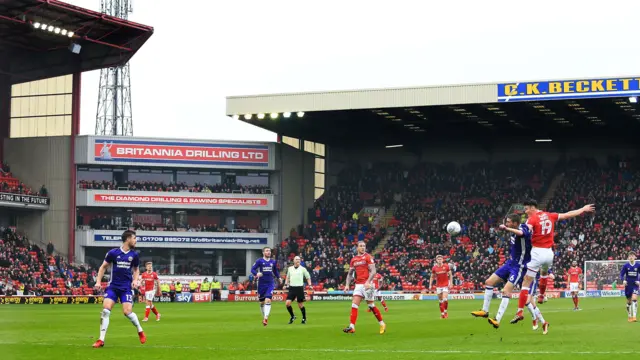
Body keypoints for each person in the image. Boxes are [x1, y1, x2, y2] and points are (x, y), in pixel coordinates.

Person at [508, 199, 595, 327]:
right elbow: (568, 214)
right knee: (544, 274)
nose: (525, 212)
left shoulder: (532, 219)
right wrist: (583, 209)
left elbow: (523, 233)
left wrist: (509, 229)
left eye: (526, 209)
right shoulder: (551, 215)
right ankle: (542, 295)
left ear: (532, 207)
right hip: (549, 253)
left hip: (537, 252)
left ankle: (520, 311)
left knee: (526, 283)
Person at [472, 214, 532, 325]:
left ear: (514, 223)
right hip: (510, 263)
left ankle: (497, 320)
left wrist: (507, 228)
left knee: (505, 291)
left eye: (508, 222)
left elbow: (522, 233)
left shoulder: (522, 228)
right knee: (489, 282)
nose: (506, 223)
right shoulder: (515, 230)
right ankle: (484, 311)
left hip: (519, 266)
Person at [92, 230, 146, 348]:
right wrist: (98, 282)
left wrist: (135, 280)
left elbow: (136, 270)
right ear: (128, 239)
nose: (136, 241)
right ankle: (101, 340)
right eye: (134, 238)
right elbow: (103, 267)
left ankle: (140, 330)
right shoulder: (113, 253)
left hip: (126, 288)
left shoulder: (134, 255)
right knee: (106, 310)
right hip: (113, 287)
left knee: (127, 312)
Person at [343, 241, 386, 334]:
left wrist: (368, 281)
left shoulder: (368, 257)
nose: (363, 247)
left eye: (364, 246)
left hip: (368, 285)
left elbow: (374, 271)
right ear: (357, 248)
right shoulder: (353, 259)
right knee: (354, 304)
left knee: (371, 305)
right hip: (358, 285)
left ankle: (382, 324)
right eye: (361, 246)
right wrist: (347, 285)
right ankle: (352, 326)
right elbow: (350, 274)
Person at [250, 247, 281, 326]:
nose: (269, 252)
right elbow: (252, 269)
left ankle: (265, 318)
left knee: (268, 300)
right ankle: (264, 316)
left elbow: (275, 271)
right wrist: (256, 274)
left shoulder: (273, 261)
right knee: (261, 302)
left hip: (270, 283)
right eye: (267, 251)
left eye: (269, 251)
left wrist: (279, 277)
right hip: (261, 284)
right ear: (263, 252)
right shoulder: (259, 261)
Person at [284, 256, 312, 324]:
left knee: (300, 305)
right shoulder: (290, 268)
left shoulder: (303, 269)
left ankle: (304, 318)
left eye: (299, 259)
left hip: (299, 288)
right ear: (293, 260)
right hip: (292, 288)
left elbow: (308, 277)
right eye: (296, 259)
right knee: (287, 303)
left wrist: (310, 285)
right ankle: (293, 316)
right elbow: (287, 277)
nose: (298, 260)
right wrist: (285, 284)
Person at [429, 255, 453, 319]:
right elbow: (432, 276)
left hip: (445, 285)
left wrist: (451, 283)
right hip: (438, 286)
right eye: (438, 259)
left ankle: (445, 312)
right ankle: (442, 314)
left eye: (440, 259)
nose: (439, 260)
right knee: (440, 301)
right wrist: (430, 285)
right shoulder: (434, 268)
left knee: (445, 299)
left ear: (442, 260)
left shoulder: (446, 266)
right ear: (436, 260)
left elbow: (450, 275)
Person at [620, 252, 640, 322]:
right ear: (628, 257)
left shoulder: (638, 265)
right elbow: (621, 275)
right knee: (629, 302)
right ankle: (629, 316)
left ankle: (634, 317)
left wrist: (639, 281)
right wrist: (623, 280)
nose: (631, 257)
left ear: (635, 257)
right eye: (630, 256)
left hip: (635, 285)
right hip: (628, 285)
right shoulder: (626, 265)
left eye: (632, 256)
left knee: (634, 299)